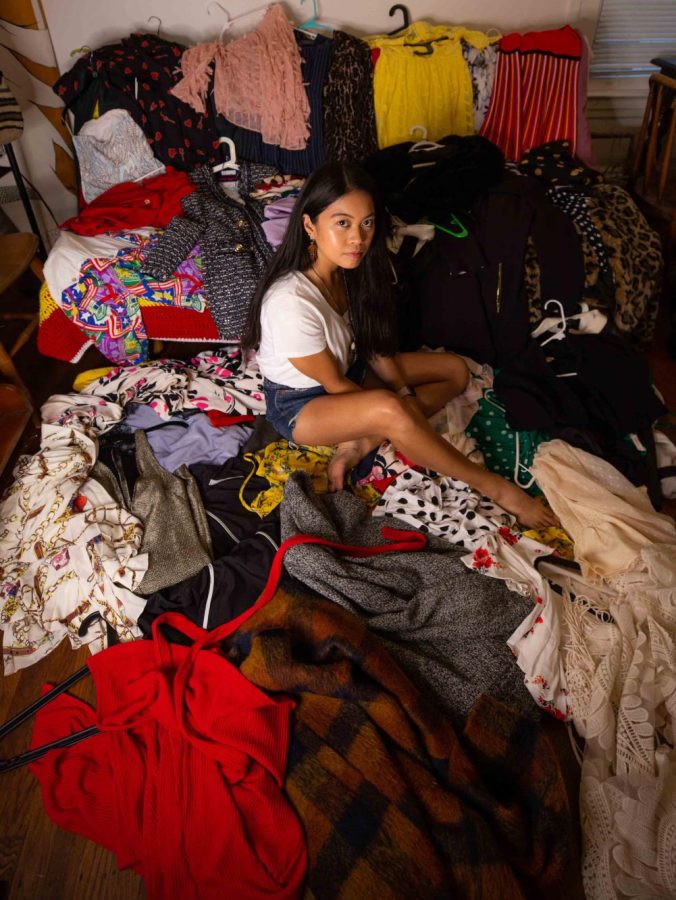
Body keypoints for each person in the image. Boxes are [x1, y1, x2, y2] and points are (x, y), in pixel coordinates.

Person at [242, 161, 557, 529]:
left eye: (367, 222)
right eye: (341, 223)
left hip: (349, 371)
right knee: (392, 409)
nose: (357, 238)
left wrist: (404, 390)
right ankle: (499, 489)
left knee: (454, 370)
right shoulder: (290, 302)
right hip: (301, 404)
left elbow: (374, 347)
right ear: (310, 226)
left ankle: (361, 444)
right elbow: (335, 387)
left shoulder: (351, 271)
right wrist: (400, 405)